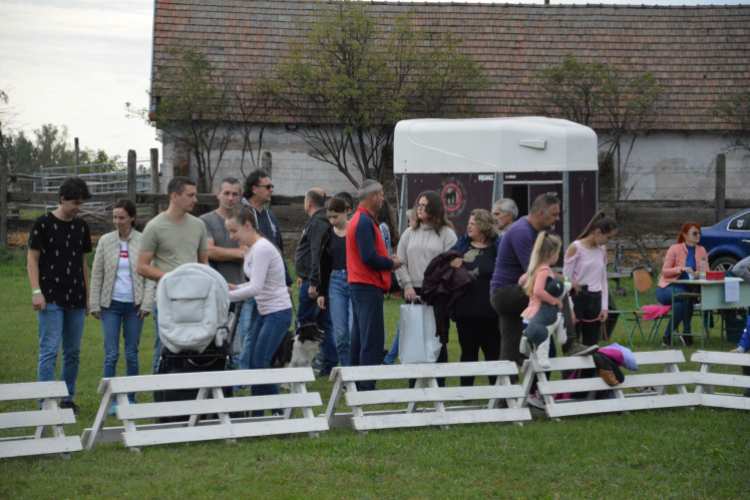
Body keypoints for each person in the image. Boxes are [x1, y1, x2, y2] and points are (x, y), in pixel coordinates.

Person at [490, 193, 591, 367]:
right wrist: (568, 280)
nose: (558, 218)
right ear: (541, 214)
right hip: (507, 293)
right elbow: (536, 272)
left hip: (506, 294)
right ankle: (570, 345)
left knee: (511, 355)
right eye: (555, 214)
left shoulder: (527, 230)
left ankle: (506, 393)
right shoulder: (522, 232)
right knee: (558, 288)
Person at [28, 176, 93, 415]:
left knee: (73, 352)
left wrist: (86, 297)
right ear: (62, 199)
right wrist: (37, 291)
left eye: (82, 203)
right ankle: (45, 402)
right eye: (76, 202)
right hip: (50, 296)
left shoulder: (82, 226)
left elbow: (83, 263)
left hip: (76, 297)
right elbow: (32, 261)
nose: (80, 207)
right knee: (49, 350)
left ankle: (67, 400)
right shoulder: (42, 223)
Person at [226, 206, 293, 415]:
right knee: (255, 364)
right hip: (265, 312)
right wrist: (235, 288)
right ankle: (258, 414)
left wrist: (224, 294)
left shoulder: (262, 248)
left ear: (247, 226)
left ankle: (277, 413)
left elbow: (255, 288)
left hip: (278, 312)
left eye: (234, 231)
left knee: (261, 362)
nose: (231, 236)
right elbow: (255, 285)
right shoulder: (250, 249)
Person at [137, 176, 209, 373]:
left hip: (195, 299)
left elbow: (204, 264)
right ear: (175, 196)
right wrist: (171, 278)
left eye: (195, 195)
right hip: (167, 299)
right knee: (164, 350)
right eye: (190, 195)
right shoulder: (154, 226)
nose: (195, 200)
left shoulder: (198, 225)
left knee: (192, 350)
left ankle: (187, 396)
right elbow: (142, 266)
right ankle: (159, 398)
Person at [90, 199, 155, 413]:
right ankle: (110, 399)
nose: (117, 222)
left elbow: (150, 276)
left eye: (122, 218)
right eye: (114, 217)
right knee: (111, 353)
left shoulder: (144, 241)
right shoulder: (106, 241)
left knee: (131, 353)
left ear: (132, 218)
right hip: (110, 304)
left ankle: (130, 397)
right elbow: (97, 273)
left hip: (134, 307)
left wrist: (147, 303)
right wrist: (94, 303)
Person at [393, 191, 458, 377]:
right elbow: (400, 261)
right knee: (413, 337)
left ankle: (439, 382)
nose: (420, 209)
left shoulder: (447, 234)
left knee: (437, 336)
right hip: (413, 292)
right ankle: (414, 382)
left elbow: (451, 264)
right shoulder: (409, 233)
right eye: (418, 205)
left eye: (424, 206)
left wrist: (438, 288)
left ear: (435, 209)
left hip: (437, 292)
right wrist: (407, 286)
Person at [347, 180, 402, 390]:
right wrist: (391, 263)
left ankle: (353, 382)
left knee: (360, 338)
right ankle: (366, 385)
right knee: (372, 339)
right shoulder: (363, 222)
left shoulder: (361, 219)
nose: (382, 199)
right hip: (367, 286)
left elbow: (369, 254)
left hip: (361, 285)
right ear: (372, 197)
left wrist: (387, 258)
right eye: (380, 194)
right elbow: (368, 257)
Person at [240, 169, 293, 371]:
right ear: (254, 189)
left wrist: (287, 282)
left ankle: (252, 374)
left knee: (256, 333)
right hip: (249, 284)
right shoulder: (242, 213)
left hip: (269, 290)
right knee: (244, 330)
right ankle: (245, 375)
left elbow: (279, 252)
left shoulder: (270, 217)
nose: (272, 190)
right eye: (268, 186)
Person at [200, 178, 246, 369]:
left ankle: (232, 390)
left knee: (236, 346)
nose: (230, 198)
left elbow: (252, 250)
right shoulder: (206, 221)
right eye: (226, 193)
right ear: (218, 194)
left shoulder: (246, 219)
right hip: (214, 292)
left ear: (241, 196)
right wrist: (240, 253)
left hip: (241, 289)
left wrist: (224, 253)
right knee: (215, 343)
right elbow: (209, 252)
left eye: (235, 194)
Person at [452, 209, 501, 387]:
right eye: (469, 222)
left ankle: (498, 394)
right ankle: (465, 395)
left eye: (473, 223)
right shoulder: (462, 245)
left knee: (492, 353)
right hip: (465, 310)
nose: (469, 225)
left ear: (484, 226)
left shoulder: (498, 248)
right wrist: (451, 263)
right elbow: (444, 263)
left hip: (490, 311)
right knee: (468, 353)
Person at [295, 188, 337, 376]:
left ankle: (305, 364)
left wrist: (313, 282)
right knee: (322, 323)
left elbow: (316, 255)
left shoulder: (318, 223)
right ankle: (328, 363)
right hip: (312, 280)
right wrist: (304, 274)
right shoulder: (318, 221)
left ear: (309, 202)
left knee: (306, 325)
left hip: (314, 286)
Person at [563, 211, 618, 346]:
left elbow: (603, 280)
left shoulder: (601, 249)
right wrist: (570, 308)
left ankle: (591, 368)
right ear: (598, 232)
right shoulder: (576, 247)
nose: (609, 242)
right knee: (572, 344)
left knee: (592, 345)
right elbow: (566, 280)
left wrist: (604, 307)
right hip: (577, 299)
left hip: (596, 300)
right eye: (608, 237)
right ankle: (572, 368)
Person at [656, 222, 708, 347]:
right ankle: (686, 334)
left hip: (686, 291)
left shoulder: (702, 250)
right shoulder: (675, 249)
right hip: (666, 288)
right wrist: (681, 269)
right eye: (694, 233)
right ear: (685, 235)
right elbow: (665, 271)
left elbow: (707, 272)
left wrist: (698, 274)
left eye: (699, 233)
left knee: (680, 305)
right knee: (686, 298)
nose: (698, 235)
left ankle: (666, 338)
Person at [317, 197, 352, 367]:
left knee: (353, 330)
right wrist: (321, 292)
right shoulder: (328, 234)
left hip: (355, 280)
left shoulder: (354, 230)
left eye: (335, 216)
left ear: (346, 211)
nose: (332, 221)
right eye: (329, 217)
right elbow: (324, 265)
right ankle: (348, 373)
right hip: (335, 282)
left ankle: (359, 370)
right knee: (340, 334)